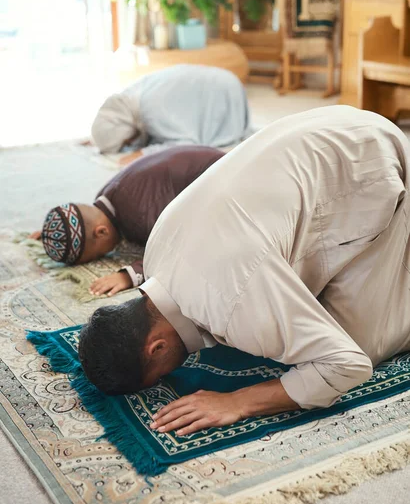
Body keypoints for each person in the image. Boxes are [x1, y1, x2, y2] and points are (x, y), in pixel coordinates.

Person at [78, 106, 410, 437]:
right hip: (333, 125)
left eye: (158, 376)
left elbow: (347, 366)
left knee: (361, 345)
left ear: (157, 348)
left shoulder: (233, 304)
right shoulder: (155, 256)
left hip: (371, 162)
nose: (167, 378)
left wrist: (238, 401)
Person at [31, 146, 223, 296]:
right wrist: (56, 232)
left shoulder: (140, 216)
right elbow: (78, 222)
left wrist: (130, 274)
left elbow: (175, 249)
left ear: (101, 232)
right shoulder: (106, 200)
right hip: (210, 163)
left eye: (97, 255)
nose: (106, 255)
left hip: (227, 180)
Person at [91, 64, 252, 166]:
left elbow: (186, 144)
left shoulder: (149, 112)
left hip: (227, 92)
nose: (131, 144)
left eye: (125, 143)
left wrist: (143, 154)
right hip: (224, 76)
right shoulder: (132, 97)